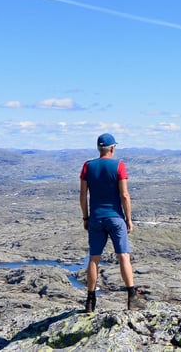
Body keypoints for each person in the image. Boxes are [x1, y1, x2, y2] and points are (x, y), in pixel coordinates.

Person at [79, 133, 143, 312]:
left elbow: (83, 195)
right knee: (123, 255)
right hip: (115, 217)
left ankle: (90, 301)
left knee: (94, 259)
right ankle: (132, 298)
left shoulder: (88, 166)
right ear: (112, 148)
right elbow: (124, 195)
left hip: (96, 218)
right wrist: (129, 219)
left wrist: (86, 217)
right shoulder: (119, 166)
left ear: (99, 148)